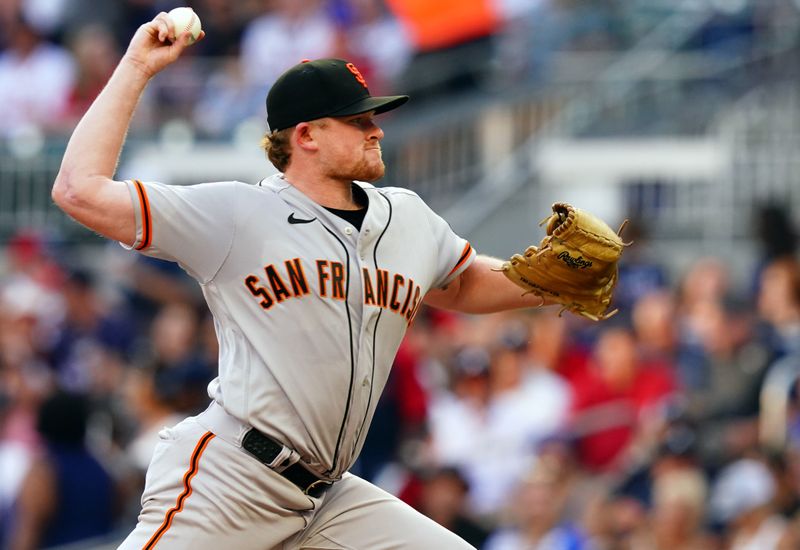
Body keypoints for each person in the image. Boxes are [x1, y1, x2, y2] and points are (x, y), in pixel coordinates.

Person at [52, 13, 548, 549]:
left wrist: (557, 281)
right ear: (306, 135)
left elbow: (464, 283)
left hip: (328, 498)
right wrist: (136, 66)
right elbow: (79, 191)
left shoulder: (407, 217)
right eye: (357, 120)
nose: (376, 128)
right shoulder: (238, 214)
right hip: (233, 480)